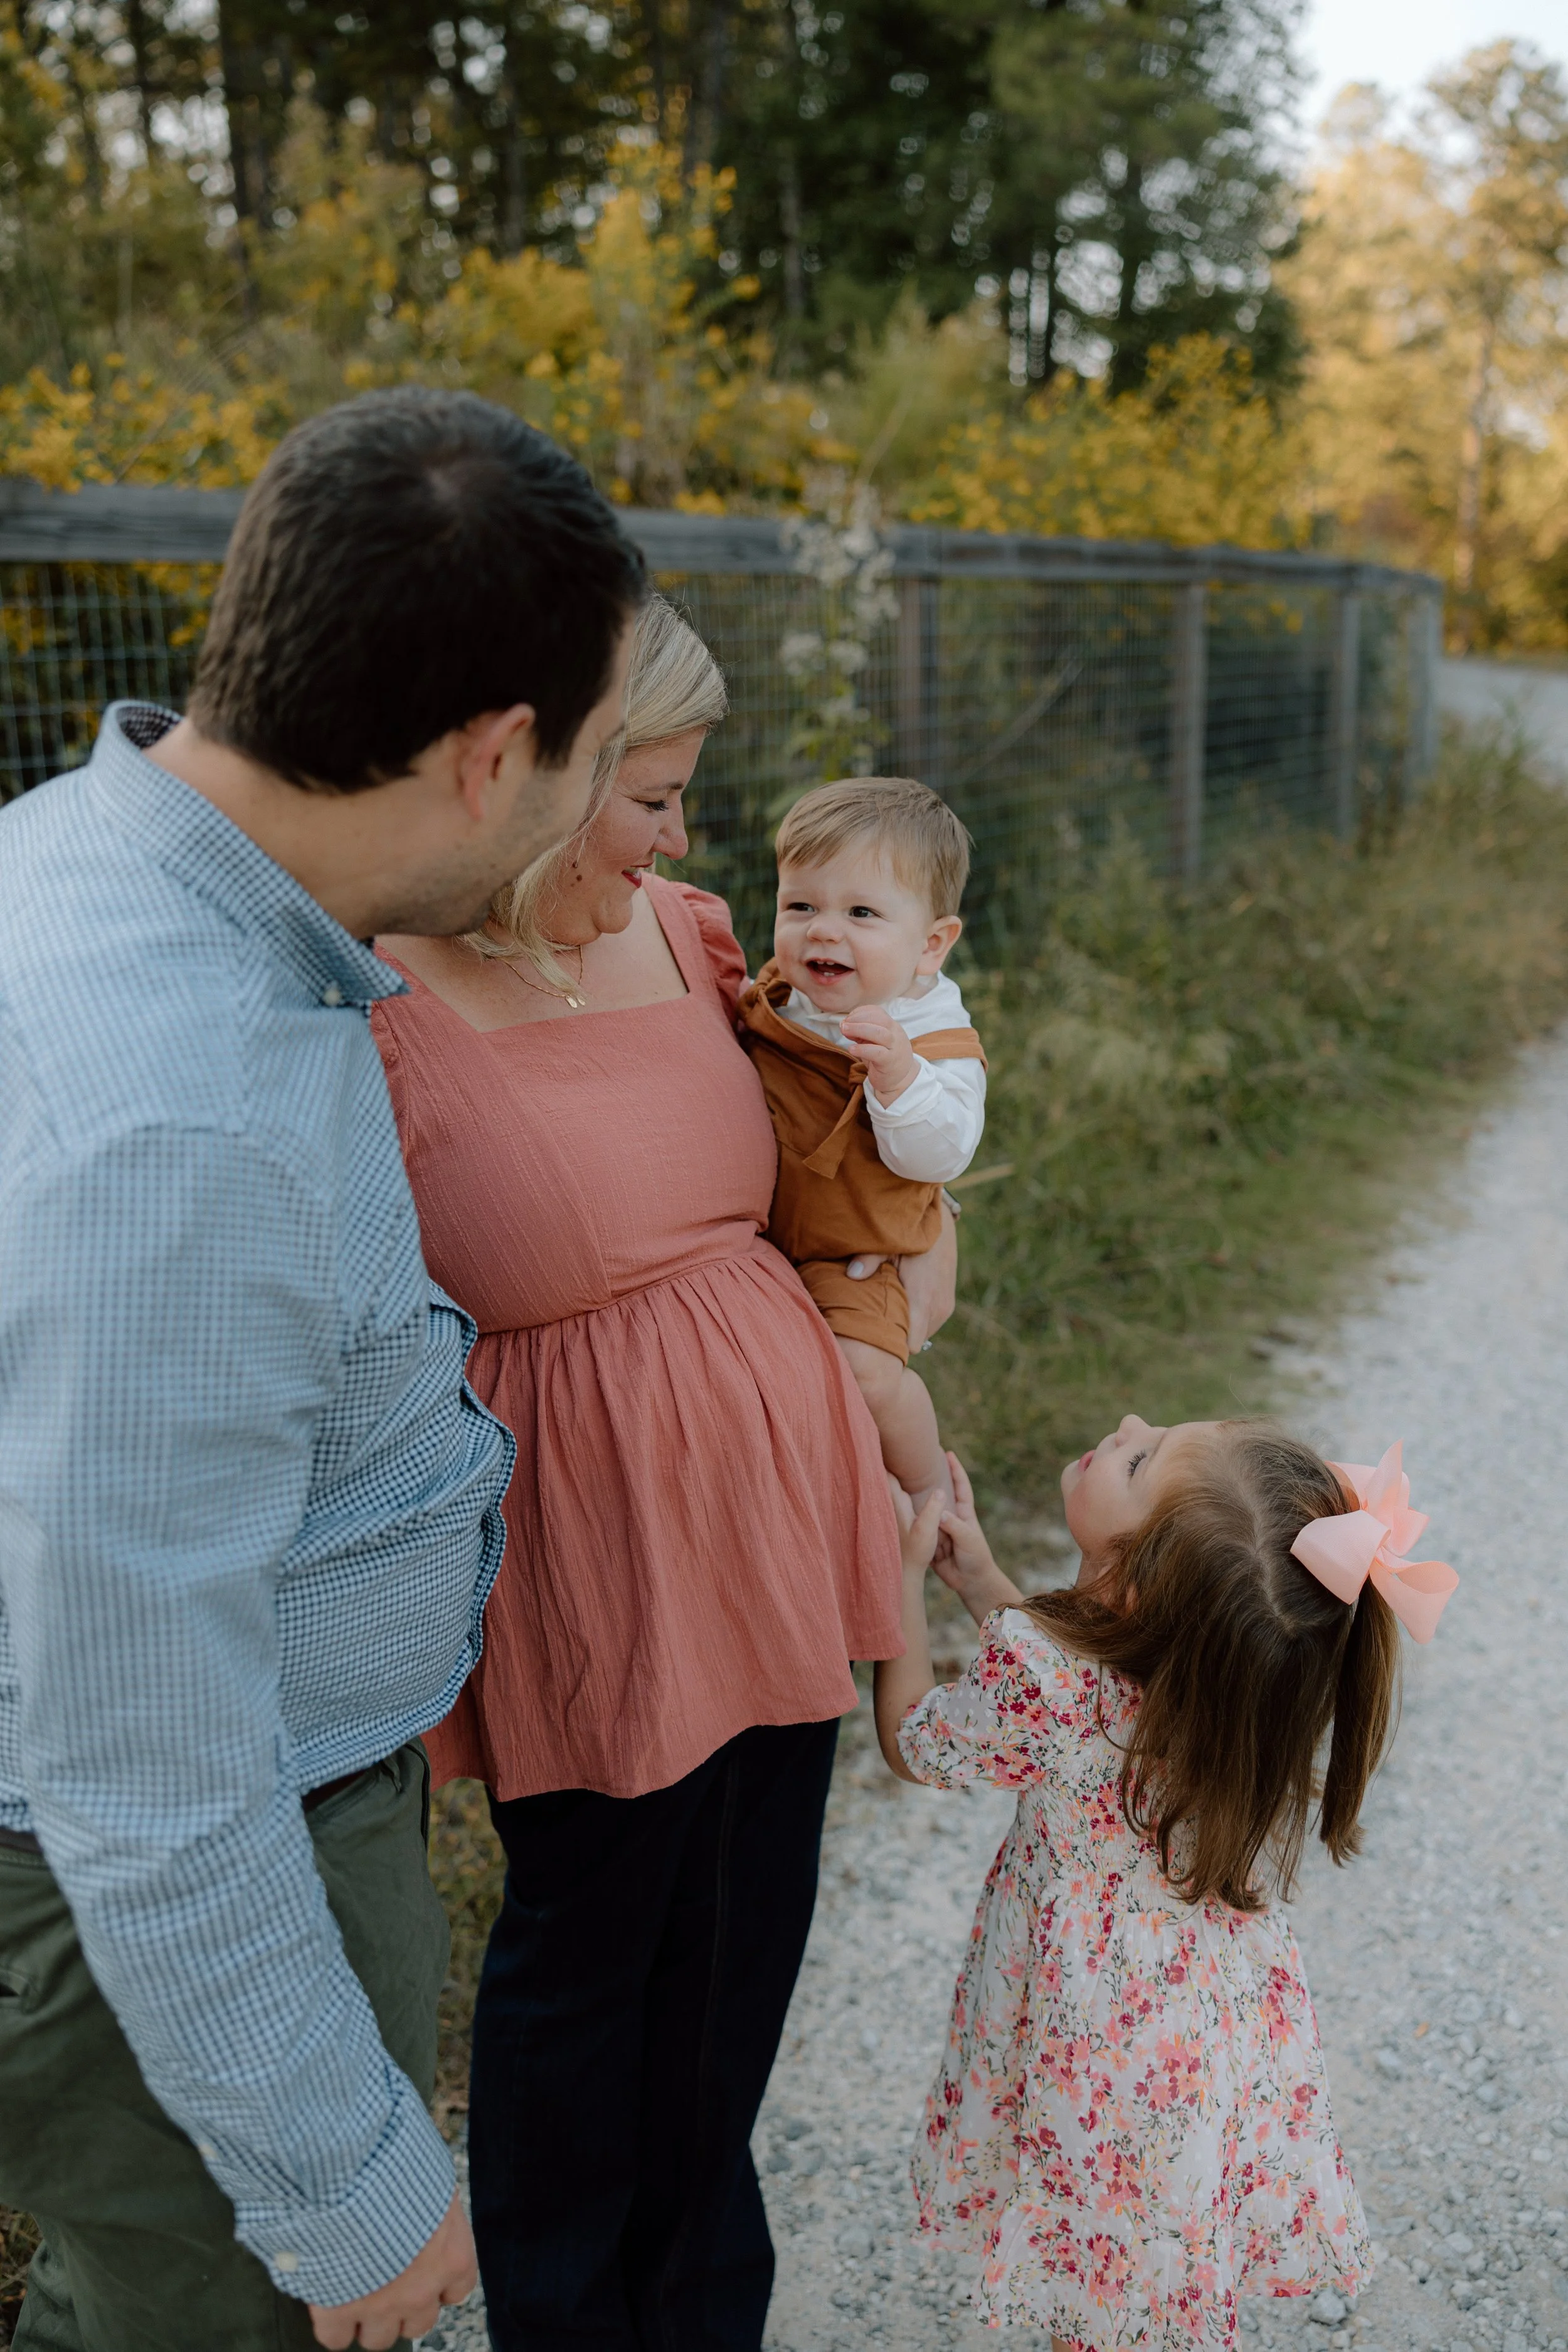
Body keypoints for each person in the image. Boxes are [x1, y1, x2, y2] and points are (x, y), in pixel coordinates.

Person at [0, 387, 644, 2352]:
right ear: (486, 757)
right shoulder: (179, 1136)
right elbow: (144, 1751)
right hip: (173, 1874)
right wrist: (340, 2178)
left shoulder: (80, 854)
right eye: (595, 754)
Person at [370, 595, 951, 2351]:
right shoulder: (368, 992)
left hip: (784, 1508)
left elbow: (854, 1190)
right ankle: (566, 2314)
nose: (687, 840)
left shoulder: (696, 939)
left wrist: (891, 1342)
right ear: (530, 780)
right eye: (655, 794)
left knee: (736, 1958)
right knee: (588, 1951)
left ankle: (703, 2307)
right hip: (587, 1539)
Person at [876, 1419, 1459, 2347]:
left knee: (1097, 2283)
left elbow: (917, 1735)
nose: (1130, 1425)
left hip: (1089, 2032)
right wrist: (979, 1576)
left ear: (1136, 1581)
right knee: (1135, 2253)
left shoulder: (1051, 1678)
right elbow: (1075, 1667)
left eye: (1141, 1459)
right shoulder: (1228, 1670)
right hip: (1185, 2035)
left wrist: (898, 1581)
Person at [738, 776, 986, 1510]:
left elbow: (942, 1155)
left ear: (930, 945)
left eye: (862, 913)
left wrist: (899, 1079)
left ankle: (926, 1492)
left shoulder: (933, 1038)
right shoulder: (783, 998)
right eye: (801, 905)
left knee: (866, 1371)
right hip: (766, 1235)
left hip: (860, 1249)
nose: (823, 930)